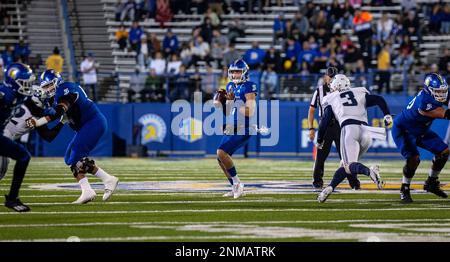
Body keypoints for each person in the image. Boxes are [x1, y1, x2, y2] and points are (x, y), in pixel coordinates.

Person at [26, 70, 119, 204]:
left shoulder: (66, 88)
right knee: (70, 158)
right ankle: (99, 184)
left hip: (93, 122)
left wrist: (37, 122)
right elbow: (50, 127)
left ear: (57, 82)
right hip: (84, 126)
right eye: (45, 87)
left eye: (50, 85)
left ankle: (99, 184)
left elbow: (58, 112)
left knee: (75, 156)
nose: (48, 89)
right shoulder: (52, 99)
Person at [317, 74, 391, 202]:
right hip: (366, 132)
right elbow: (379, 99)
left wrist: (319, 139)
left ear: (336, 86)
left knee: (349, 165)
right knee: (346, 166)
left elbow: (325, 120)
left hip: (350, 129)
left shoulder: (332, 97)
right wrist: (387, 115)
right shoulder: (359, 92)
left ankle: (370, 172)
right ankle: (329, 188)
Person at [392, 73, 449, 203]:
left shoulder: (436, 93)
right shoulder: (425, 102)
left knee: (444, 152)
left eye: (443, 91)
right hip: (404, 129)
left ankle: (431, 182)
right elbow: (444, 113)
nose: (442, 94)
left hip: (420, 129)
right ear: (428, 90)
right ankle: (404, 188)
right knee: (414, 159)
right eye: (438, 91)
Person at [308, 67, 360, 189]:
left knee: (346, 156)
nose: (330, 79)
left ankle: (353, 182)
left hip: (339, 125)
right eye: (329, 76)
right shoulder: (319, 91)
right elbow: (311, 110)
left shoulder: (343, 90)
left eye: (333, 77)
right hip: (325, 126)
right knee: (321, 155)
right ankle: (317, 181)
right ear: (325, 77)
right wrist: (311, 128)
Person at [1, 85, 66, 181]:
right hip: (4, 138)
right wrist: (61, 121)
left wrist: (60, 121)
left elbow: (47, 136)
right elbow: (48, 135)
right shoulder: (38, 113)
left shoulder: (20, 100)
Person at [215, 59, 258, 199]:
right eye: (233, 72)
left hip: (244, 127)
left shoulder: (249, 86)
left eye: (238, 72)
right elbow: (228, 112)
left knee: (221, 152)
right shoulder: (230, 86)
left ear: (244, 73)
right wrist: (223, 103)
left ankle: (238, 184)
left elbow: (250, 111)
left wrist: (234, 102)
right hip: (233, 126)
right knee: (220, 158)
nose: (235, 75)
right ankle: (235, 187)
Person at [0, 63, 35, 212]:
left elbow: (38, 108)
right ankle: (12, 199)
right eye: (25, 83)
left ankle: (12, 199)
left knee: (23, 157)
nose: (28, 87)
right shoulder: (3, 94)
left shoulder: (20, 95)